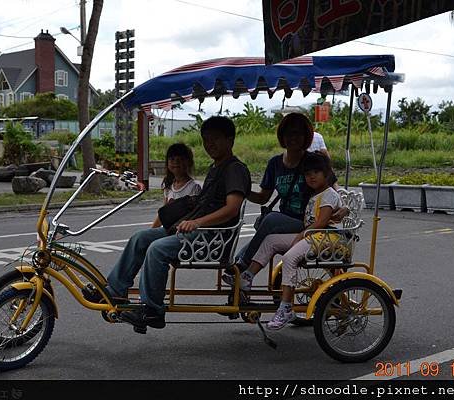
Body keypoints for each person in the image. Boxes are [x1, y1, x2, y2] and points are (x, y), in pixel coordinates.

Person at [101, 116, 251, 332]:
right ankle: (115, 289)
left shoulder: (234, 169)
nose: (210, 145)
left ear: (230, 139)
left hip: (211, 239)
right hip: (196, 233)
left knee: (157, 249)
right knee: (141, 237)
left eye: (215, 139)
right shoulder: (216, 167)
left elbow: (232, 208)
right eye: (206, 140)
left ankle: (152, 309)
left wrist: (197, 222)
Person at [231, 153, 344, 330]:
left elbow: (321, 222)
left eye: (316, 172)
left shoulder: (328, 194)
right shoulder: (316, 193)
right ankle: (247, 276)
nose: (311, 177)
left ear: (327, 174)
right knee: (270, 241)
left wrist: (301, 235)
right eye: (307, 174)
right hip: (313, 236)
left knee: (290, 257)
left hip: (323, 237)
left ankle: (286, 308)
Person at [226, 113, 314, 281]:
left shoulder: (313, 161)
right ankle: (240, 273)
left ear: (306, 137)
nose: (292, 138)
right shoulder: (275, 163)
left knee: (272, 220)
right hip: (284, 221)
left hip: (306, 221)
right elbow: (263, 197)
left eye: (297, 133)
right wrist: (242, 191)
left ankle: (242, 263)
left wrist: (341, 207)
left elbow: (331, 187)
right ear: (282, 136)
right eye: (288, 133)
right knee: (269, 226)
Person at [152, 143, 201, 228]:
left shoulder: (194, 188)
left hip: (181, 230)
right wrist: (152, 229)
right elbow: (164, 214)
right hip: (167, 228)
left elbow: (194, 215)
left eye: (181, 159)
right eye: (172, 159)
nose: (176, 162)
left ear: (188, 162)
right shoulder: (168, 186)